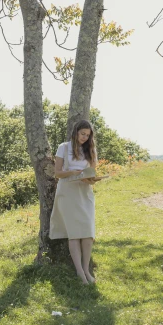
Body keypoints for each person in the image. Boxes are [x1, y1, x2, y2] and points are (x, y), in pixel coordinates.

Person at [50, 120, 100, 284]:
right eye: (82, 134)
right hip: (67, 192)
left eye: (88, 135)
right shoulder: (63, 147)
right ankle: (79, 272)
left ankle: (86, 269)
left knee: (87, 233)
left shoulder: (90, 150)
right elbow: (57, 173)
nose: (85, 137)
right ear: (76, 132)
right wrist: (71, 172)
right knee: (74, 234)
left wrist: (91, 180)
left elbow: (91, 173)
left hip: (84, 192)